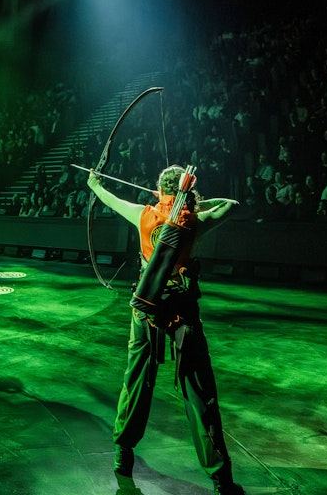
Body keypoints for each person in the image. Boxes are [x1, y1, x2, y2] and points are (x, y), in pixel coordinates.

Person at [87, 164, 244, 495]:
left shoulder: (142, 214)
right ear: (187, 193)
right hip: (182, 311)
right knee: (199, 389)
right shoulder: (195, 222)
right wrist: (193, 204)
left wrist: (95, 184)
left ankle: (123, 455)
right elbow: (232, 205)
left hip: (146, 311)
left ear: (160, 191)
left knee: (135, 380)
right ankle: (221, 479)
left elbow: (107, 196)